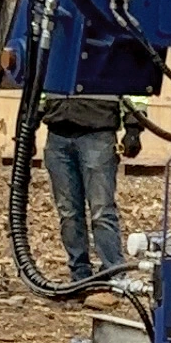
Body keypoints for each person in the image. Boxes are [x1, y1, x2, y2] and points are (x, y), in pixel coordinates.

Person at [39, 92, 127, 284]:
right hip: (58, 133)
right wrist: (30, 123)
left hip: (98, 132)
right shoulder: (57, 60)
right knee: (68, 212)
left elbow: (131, 86)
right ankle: (80, 276)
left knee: (101, 211)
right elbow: (41, 84)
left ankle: (114, 275)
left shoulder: (106, 59)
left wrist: (134, 126)